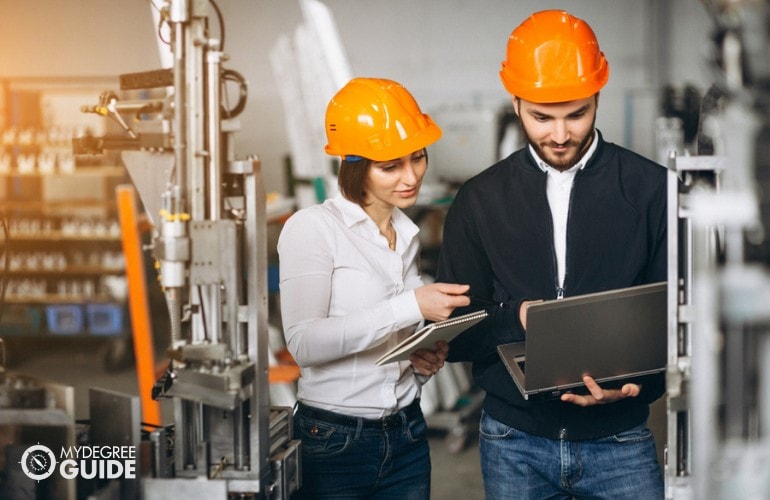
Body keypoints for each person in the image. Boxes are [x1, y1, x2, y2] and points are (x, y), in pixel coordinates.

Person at [436, 10, 667, 500]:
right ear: (515, 102)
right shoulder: (478, 200)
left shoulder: (652, 191)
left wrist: (638, 387)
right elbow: (454, 336)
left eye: (576, 114)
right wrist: (516, 317)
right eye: (542, 117)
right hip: (513, 443)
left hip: (620, 440)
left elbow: (672, 317)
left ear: (598, 96)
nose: (560, 135)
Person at [278, 77, 470, 499]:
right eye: (390, 166)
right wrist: (410, 305)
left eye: (418, 158)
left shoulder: (405, 232)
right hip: (333, 440)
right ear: (354, 165)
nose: (411, 176)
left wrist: (417, 359)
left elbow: (384, 337)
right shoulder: (313, 229)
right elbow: (304, 344)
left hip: (407, 433)